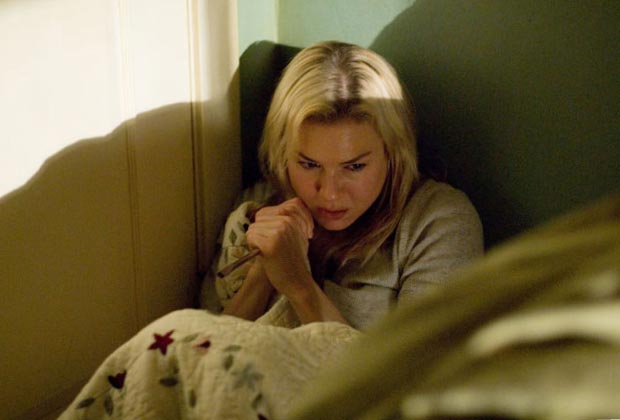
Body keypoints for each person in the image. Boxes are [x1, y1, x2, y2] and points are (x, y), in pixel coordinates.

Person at [207, 41, 484, 329]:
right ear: (282, 153)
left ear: (393, 154)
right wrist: (262, 274)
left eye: (354, 167)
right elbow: (203, 349)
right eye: (309, 164)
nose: (330, 193)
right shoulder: (256, 208)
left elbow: (420, 358)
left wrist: (300, 287)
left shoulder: (436, 222)